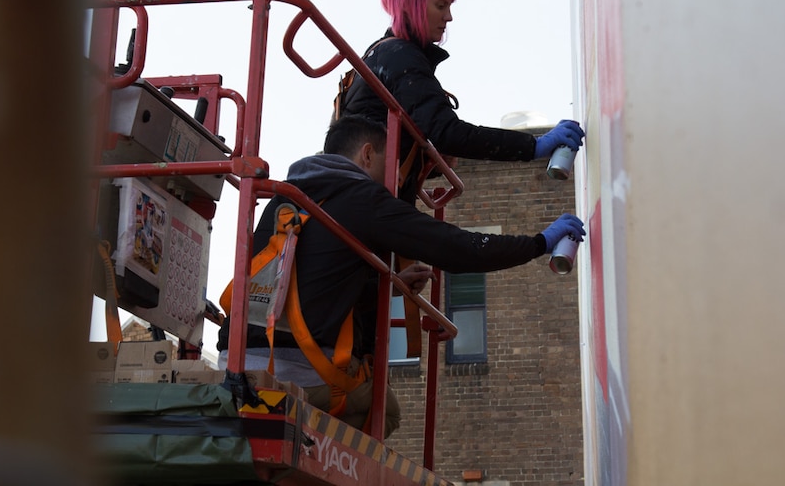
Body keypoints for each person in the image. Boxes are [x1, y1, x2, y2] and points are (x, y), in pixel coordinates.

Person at [218, 115, 585, 438]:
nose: (395, 179)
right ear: (366, 155)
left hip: (232, 363)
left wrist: (391, 284)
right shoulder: (363, 199)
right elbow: (456, 248)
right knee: (386, 410)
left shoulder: (287, 198)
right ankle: (308, 452)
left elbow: (310, 280)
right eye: (391, 164)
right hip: (296, 374)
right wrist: (538, 242)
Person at [337, 0, 585, 203]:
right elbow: (448, 132)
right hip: (367, 202)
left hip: (357, 195)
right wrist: (533, 146)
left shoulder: (380, 54)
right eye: (441, 5)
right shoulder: (401, 56)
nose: (449, 17)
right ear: (413, 6)